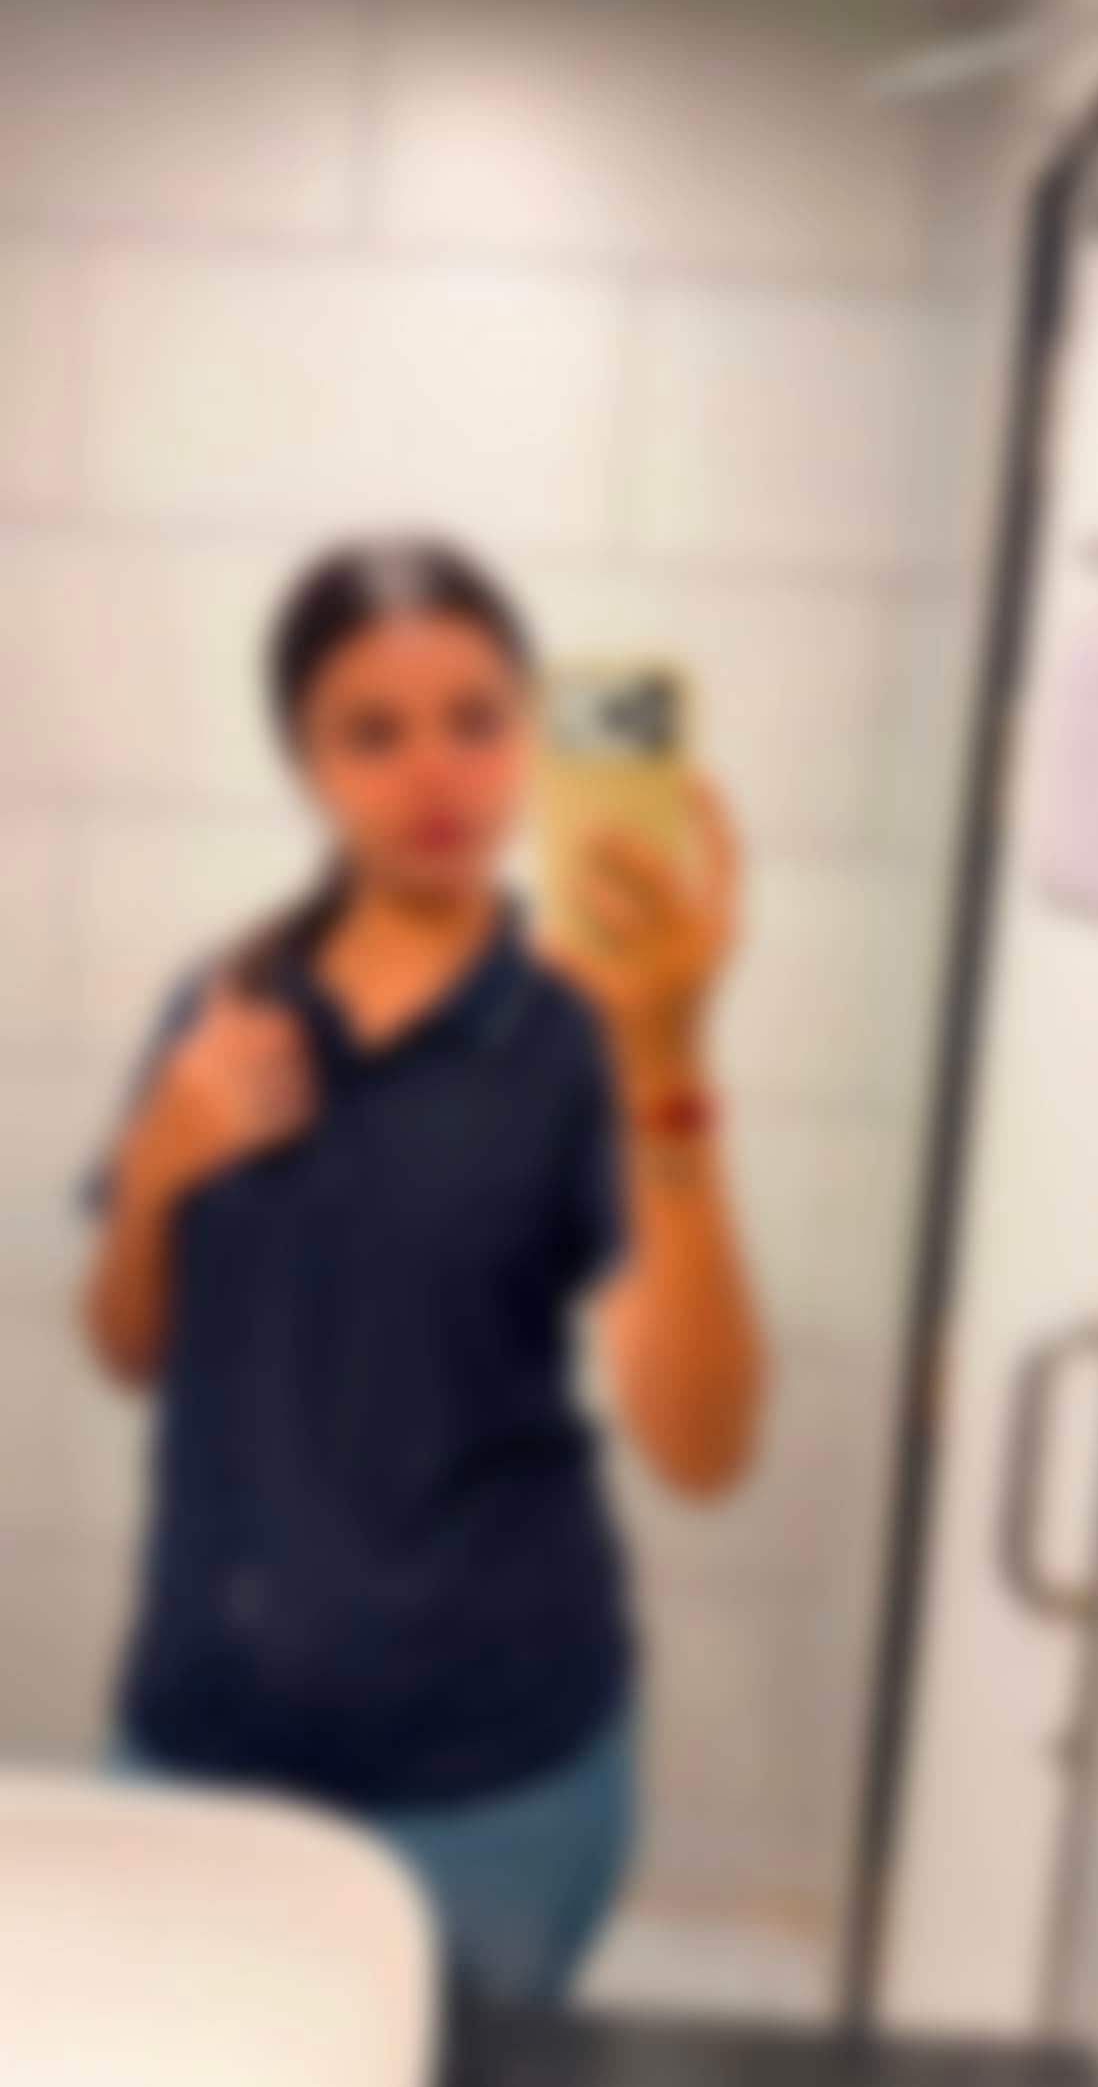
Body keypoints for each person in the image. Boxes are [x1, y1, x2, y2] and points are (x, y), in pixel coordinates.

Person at [79, 536, 763, 2003]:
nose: (435, 772)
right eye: (372, 733)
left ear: (532, 733)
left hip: (486, 1785)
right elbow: (128, 1350)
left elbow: (701, 1445)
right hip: (198, 1742)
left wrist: (668, 1059)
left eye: (475, 718)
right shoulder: (221, 1007)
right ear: (306, 764)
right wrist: (153, 1169)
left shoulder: (578, 1028)